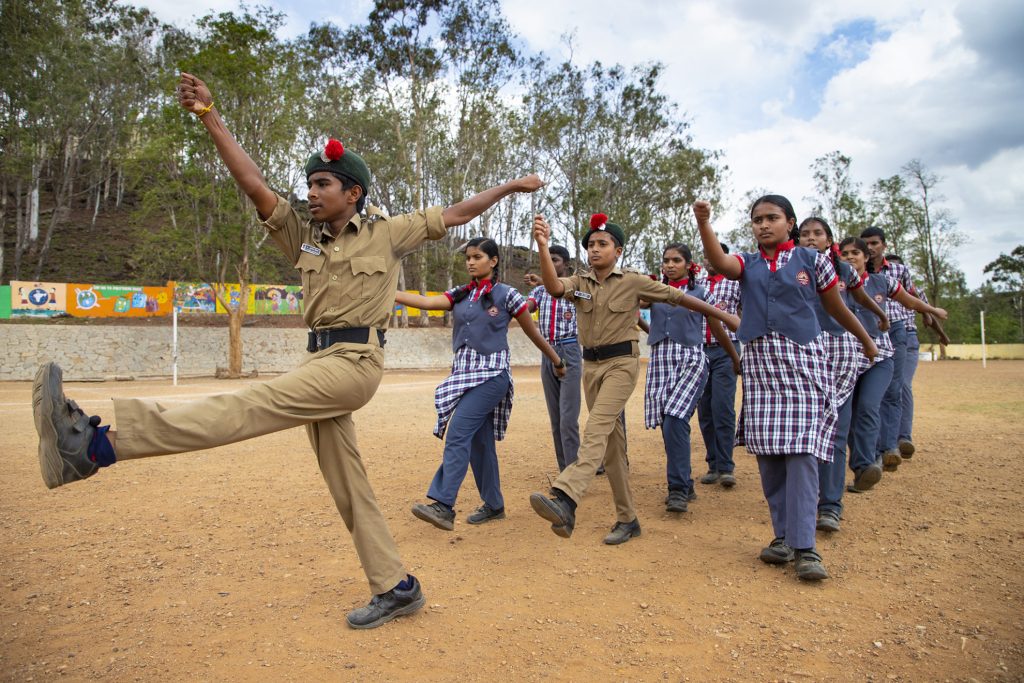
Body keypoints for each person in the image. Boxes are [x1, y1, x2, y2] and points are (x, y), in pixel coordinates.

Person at [31, 72, 546, 630]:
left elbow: (456, 213)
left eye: (323, 183)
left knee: (251, 404)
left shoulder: (386, 232)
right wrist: (210, 116)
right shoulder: (300, 234)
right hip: (318, 359)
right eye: (308, 183)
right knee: (346, 479)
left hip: (354, 364)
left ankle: (100, 444)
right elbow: (252, 182)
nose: (311, 191)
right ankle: (396, 585)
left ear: (352, 192)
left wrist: (510, 187)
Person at [527, 213, 738, 546]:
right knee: (612, 447)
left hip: (621, 364)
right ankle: (628, 519)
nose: (595, 250)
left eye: (602, 244)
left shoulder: (634, 281)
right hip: (591, 367)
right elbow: (554, 287)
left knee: (596, 427)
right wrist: (542, 244)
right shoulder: (581, 286)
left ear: (618, 250)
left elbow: (679, 297)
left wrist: (724, 315)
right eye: (590, 245)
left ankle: (566, 496)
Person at [696, 196, 877, 581]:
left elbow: (835, 307)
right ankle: (783, 538)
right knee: (770, 456)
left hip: (804, 363)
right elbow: (720, 263)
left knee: (803, 453)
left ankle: (806, 547)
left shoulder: (814, 261)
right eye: (757, 219)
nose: (764, 225)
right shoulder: (747, 262)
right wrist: (704, 223)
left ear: (789, 222)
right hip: (761, 367)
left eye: (772, 218)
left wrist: (865, 338)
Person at [400, 238, 566, 530]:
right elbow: (427, 302)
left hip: (492, 376)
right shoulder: (461, 294)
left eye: (477, 257)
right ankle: (494, 505)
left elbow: (532, 332)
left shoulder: (508, 295)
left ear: (494, 261)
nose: (470, 262)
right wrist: (390, 292)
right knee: (480, 443)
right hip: (464, 375)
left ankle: (443, 505)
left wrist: (556, 360)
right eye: (468, 257)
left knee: (458, 433)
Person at [797, 218, 886, 533]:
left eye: (817, 233)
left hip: (840, 350)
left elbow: (859, 300)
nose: (810, 238)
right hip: (801, 352)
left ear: (828, 239)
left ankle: (830, 506)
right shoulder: (789, 270)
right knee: (806, 429)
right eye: (805, 234)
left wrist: (878, 318)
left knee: (835, 425)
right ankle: (803, 500)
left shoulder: (844, 271)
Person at [839, 239, 948, 490]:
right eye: (844, 254)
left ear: (866, 257)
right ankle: (863, 461)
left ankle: (865, 466)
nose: (850, 257)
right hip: (846, 357)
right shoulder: (834, 283)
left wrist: (932, 310)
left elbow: (909, 301)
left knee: (867, 407)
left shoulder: (882, 281)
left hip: (880, 356)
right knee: (849, 416)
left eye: (855, 253)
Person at [644, 243, 739, 513]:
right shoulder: (653, 291)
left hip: (691, 359)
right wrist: (649, 330)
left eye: (676, 260)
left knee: (675, 418)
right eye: (666, 260)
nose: (670, 265)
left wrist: (734, 357)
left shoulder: (701, 292)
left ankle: (677, 490)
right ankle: (686, 481)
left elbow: (716, 326)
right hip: (660, 361)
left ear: (688, 265)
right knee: (668, 424)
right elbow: (631, 306)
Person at [860, 227, 916, 471]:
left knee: (895, 388)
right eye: (866, 244)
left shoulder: (899, 271)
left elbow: (911, 298)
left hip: (895, 330)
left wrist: (930, 313)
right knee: (869, 396)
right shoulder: (853, 271)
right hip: (867, 332)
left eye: (874, 243)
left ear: (884, 245)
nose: (870, 247)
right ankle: (872, 451)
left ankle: (890, 446)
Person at [523, 245, 582, 472]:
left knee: (568, 419)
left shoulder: (576, 288)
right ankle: (565, 471)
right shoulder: (538, 292)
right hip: (547, 353)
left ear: (565, 264)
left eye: (554, 260)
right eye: (547, 260)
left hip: (569, 352)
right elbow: (526, 308)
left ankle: (575, 475)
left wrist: (546, 281)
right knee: (557, 420)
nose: (550, 264)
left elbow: (589, 298)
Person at [884, 254, 950, 458]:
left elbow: (927, 313)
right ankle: (886, 440)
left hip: (908, 337)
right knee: (886, 388)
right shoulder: (878, 284)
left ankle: (904, 437)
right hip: (883, 336)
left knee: (902, 384)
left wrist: (942, 335)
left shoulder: (914, 290)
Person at [696, 244, 743, 488]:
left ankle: (726, 467)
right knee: (705, 410)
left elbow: (745, 311)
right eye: (705, 256)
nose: (708, 260)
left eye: (713, 256)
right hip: (700, 351)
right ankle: (712, 464)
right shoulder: (699, 284)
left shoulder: (735, 282)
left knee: (723, 407)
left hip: (727, 351)